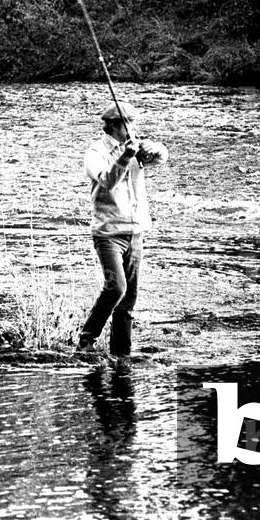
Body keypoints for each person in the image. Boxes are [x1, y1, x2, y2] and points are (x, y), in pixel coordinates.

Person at [77, 101, 168, 357]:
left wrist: (154, 148)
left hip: (135, 231)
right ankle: (86, 340)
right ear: (115, 126)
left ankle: (121, 354)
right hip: (108, 233)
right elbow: (107, 180)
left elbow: (162, 157)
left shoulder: (136, 146)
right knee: (116, 288)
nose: (134, 128)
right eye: (130, 124)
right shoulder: (94, 153)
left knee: (129, 300)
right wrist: (125, 156)